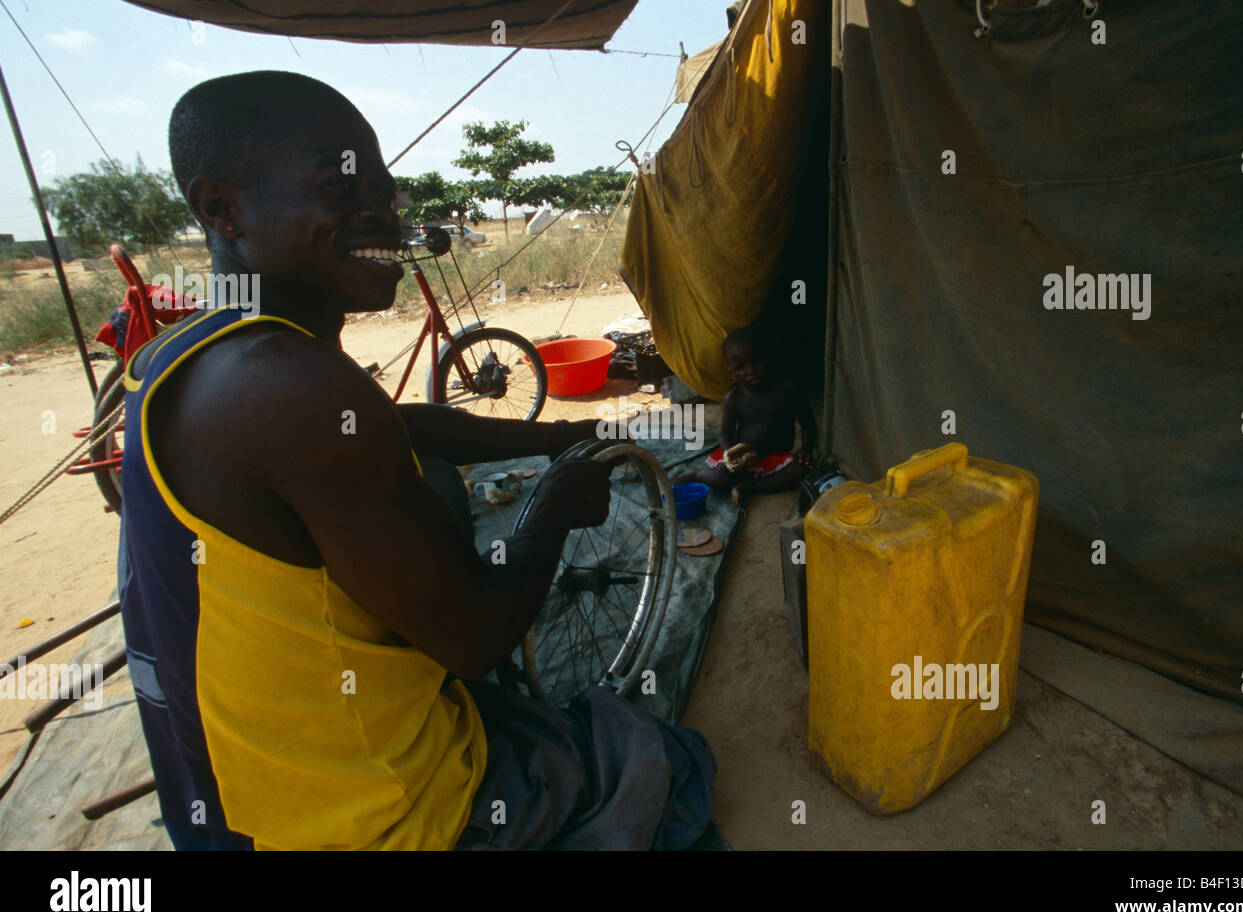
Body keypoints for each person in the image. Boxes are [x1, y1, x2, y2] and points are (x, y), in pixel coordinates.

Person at [117, 70, 714, 851]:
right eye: (342, 185)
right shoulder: (288, 387)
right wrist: (553, 508)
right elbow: (475, 638)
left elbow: (400, 426)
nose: (383, 210)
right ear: (222, 208)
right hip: (375, 827)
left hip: (235, 816)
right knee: (664, 761)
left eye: (385, 186)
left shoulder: (191, 354)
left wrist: (549, 440)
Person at [675, 325, 818, 505]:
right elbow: (725, 435)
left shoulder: (787, 389)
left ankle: (748, 488)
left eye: (756, 362)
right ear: (732, 372)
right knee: (721, 477)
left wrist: (806, 450)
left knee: (800, 470)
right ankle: (698, 475)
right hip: (744, 461)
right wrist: (730, 454)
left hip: (777, 458)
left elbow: (808, 424)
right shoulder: (735, 398)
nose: (750, 370)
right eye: (740, 367)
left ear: (767, 357)